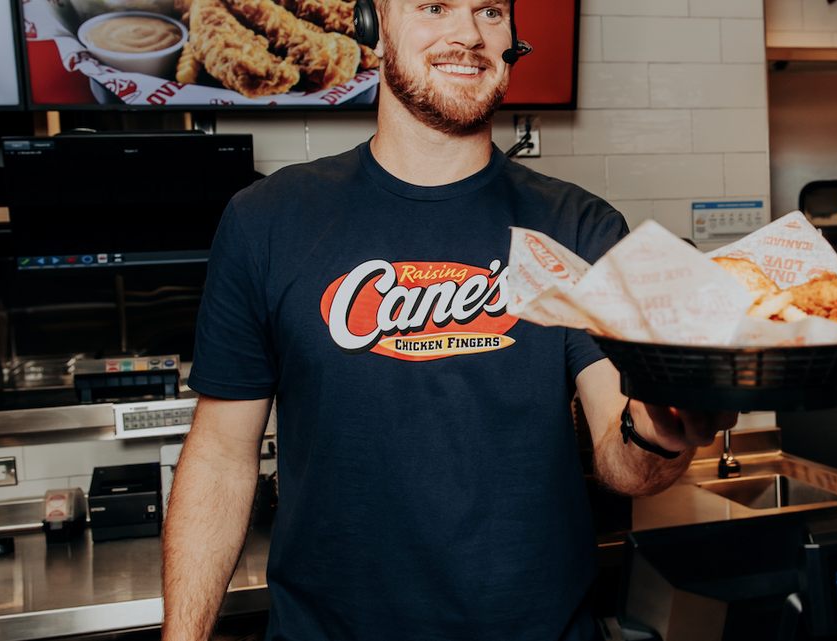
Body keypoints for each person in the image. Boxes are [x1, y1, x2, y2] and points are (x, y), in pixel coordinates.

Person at [160, 1, 737, 639]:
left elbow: (621, 457)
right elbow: (220, 456)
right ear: (373, 27)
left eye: (489, 11)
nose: (468, 34)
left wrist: (659, 430)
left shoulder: (578, 228)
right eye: (434, 6)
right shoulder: (266, 221)